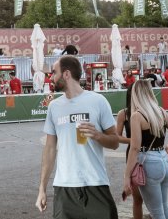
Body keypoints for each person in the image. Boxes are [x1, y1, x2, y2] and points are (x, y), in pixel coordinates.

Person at [35, 55, 120, 218]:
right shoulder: (54, 107)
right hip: (64, 187)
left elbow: (115, 142)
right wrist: (42, 189)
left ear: (66, 74)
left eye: (54, 72)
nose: (51, 77)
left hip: (96, 184)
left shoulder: (98, 101)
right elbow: (49, 150)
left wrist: (97, 135)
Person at [123, 80, 168, 219]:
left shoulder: (137, 115)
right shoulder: (160, 111)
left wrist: (127, 176)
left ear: (135, 95)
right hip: (164, 160)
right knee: (164, 205)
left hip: (149, 163)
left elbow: (135, 148)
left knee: (156, 211)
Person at [115, 85, 144, 219]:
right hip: (133, 155)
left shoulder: (149, 111)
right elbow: (117, 137)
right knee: (138, 198)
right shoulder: (124, 114)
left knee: (154, 198)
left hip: (149, 154)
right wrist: (133, 141)